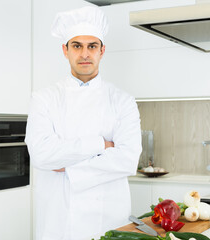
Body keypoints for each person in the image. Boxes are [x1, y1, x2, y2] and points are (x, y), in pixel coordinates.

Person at [25, 6, 142, 240]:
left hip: (108, 217)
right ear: (65, 50)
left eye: (92, 46)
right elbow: (41, 155)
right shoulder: (44, 98)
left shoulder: (123, 101)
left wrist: (67, 167)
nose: (85, 54)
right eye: (77, 46)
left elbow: (128, 160)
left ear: (102, 50)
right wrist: (101, 145)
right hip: (58, 219)